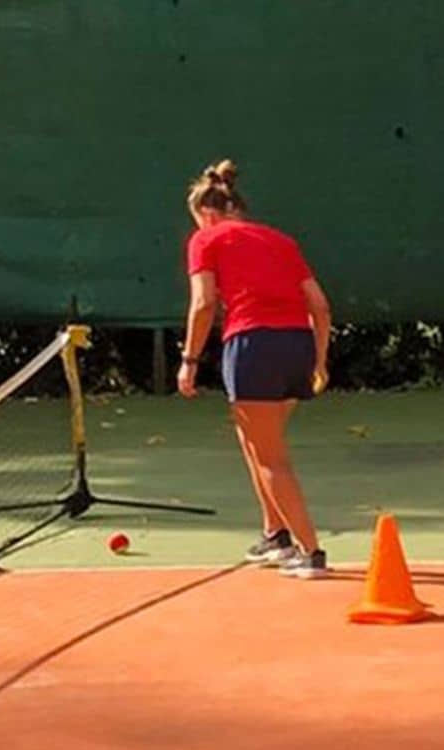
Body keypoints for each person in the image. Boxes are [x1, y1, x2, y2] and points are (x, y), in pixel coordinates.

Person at [177, 159, 332, 578]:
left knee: (270, 456)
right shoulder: (280, 240)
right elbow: (318, 304)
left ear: (206, 214)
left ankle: (311, 552)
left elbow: (204, 303)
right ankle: (276, 535)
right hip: (296, 344)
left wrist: (189, 361)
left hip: (253, 347)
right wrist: (318, 359)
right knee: (254, 440)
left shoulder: (205, 240)